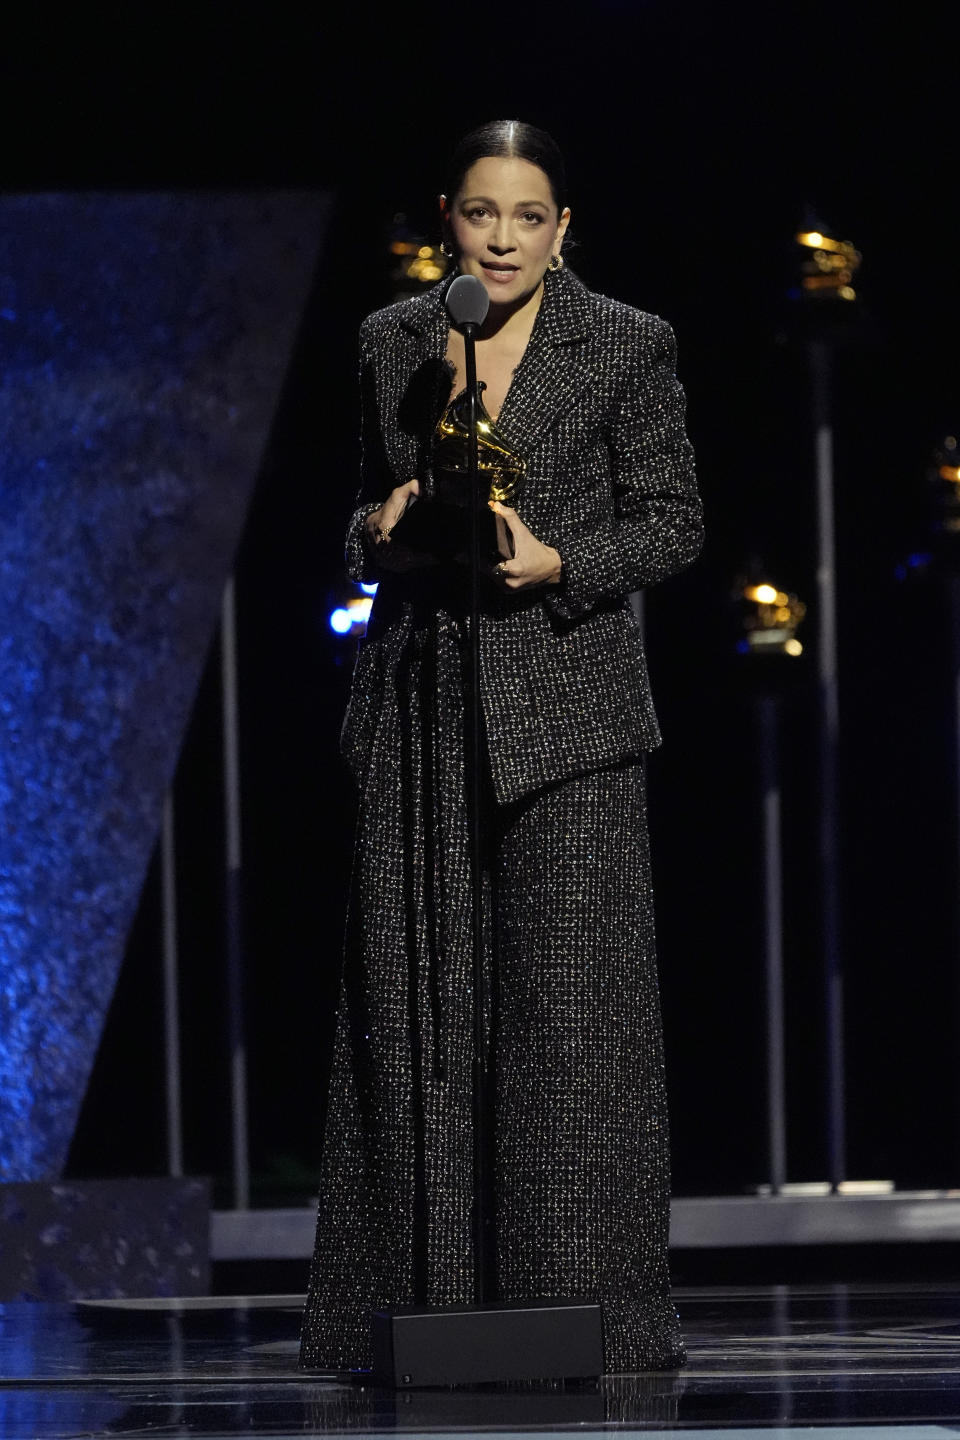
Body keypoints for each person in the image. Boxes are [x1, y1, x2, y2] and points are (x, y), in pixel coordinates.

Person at [299, 120, 703, 1375]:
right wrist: (385, 524)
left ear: (564, 226)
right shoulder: (395, 340)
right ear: (448, 218)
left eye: (530, 217)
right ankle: (409, 1308)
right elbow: (360, 516)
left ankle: (592, 1321)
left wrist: (565, 560)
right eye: (484, 214)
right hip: (420, 708)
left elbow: (677, 522)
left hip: (569, 718)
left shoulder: (630, 343)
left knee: (571, 1025)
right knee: (412, 1018)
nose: (506, 238)